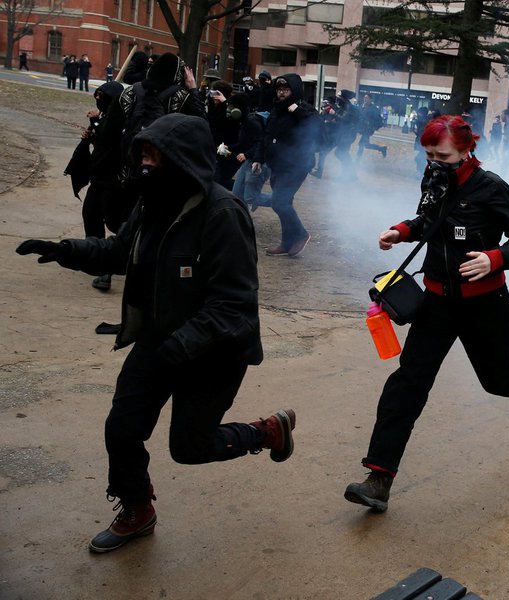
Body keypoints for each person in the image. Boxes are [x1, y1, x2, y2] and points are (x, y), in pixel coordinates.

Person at [15, 114, 296, 554]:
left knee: (190, 447)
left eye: (153, 156)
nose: (145, 165)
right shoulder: (152, 204)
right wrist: (67, 250)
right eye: (142, 155)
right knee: (122, 429)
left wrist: (180, 346)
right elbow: (118, 251)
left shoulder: (223, 213)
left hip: (215, 353)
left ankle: (266, 432)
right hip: (161, 340)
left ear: (182, 159)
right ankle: (137, 508)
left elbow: (233, 303)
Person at [344, 115, 509, 512]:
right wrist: (401, 231)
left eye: (443, 156)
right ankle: (379, 478)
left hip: (485, 305)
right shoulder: (433, 178)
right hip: (435, 304)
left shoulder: (491, 186)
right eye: (430, 155)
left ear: (467, 150)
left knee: (496, 378)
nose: (435, 162)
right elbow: (429, 222)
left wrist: (495, 258)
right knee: (407, 385)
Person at [254, 74, 321, 257]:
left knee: (279, 202)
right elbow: (266, 136)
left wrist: (297, 111)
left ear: (295, 90)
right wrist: (258, 158)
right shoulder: (277, 109)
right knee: (284, 203)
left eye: (286, 90)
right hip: (277, 165)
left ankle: (301, 234)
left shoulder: (305, 110)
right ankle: (286, 243)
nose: (281, 93)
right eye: (279, 90)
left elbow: (318, 130)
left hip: (297, 165)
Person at [81, 81, 126, 291]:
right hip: (99, 179)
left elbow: (108, 137)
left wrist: (96, 124)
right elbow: (101, 141)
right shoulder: (107, 116)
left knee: (116, 223)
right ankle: (99, 262)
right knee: (91, 215)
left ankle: (114, 262)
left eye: (102, 97)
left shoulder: (120, 119)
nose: (98, 100)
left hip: (114, 182)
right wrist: (91, 133)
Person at [356, 93, 388, 158]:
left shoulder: (374, 109)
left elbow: (380, 120)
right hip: (362, 128)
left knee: (361, 144)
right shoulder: (362, 107)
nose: (365, 99)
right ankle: (382, 149)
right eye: (364, 97)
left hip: (368, 129)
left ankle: (357, 160)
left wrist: (374, 127)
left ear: (371, 100)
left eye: (367, 98)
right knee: (366, 145)